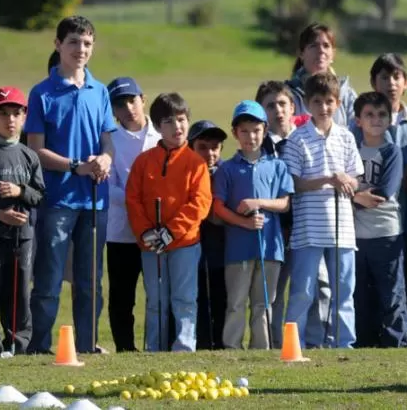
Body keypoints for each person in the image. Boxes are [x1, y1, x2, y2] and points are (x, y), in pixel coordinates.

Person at [26, 16, 117, 355]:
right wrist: (76, 166)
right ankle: (39, 345)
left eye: (88, 44)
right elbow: (36, 150)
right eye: (74, 42)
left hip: (95, 200)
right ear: (58, 45)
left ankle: (88, 343)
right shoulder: (42, 93)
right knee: (48, 279)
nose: (81, 50)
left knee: (90, 280)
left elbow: (108, 142)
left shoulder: (101, 91)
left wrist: (105, 159)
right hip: (58, 200)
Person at [281, 73, 363, 348]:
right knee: (303, 292)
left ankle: (344, 344)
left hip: (343, 230)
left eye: (329, 102)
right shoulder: (297, 139)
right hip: (308, 230)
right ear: (307, 103)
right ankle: (294, 344)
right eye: (317, 101)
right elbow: (295, 184)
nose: (324, 107)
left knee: (344, 292)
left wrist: (346, 181)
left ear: (338, 103)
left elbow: (355, 179)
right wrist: (329, 180)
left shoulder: (346, 137)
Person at [125, 93, 212, 352]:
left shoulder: (196, 163)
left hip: (185, 243)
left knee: (184, 298)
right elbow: (133, 199)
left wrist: (171, 232)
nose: (178, 127)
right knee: (156, 300)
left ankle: (184, 346)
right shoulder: (144, 161)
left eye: (182, 120)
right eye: (169, 122)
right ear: (157, 126)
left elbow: (200, 203)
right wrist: (146, 233)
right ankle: (155, 347)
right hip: (151, 244)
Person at [212, 101, 292, 349]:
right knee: (236, 302)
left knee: (263, 303)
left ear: (265, 131)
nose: (251, 136)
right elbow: (217, 207)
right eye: (244, 131)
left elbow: (285, 203)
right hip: (238, 249)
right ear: (235, 133)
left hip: (270, 248)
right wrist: (243, 223)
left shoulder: (277, 166)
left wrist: (257, 202)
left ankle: (262, 348)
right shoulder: (227, 169)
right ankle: (232, 348)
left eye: (256, 130)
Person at [256, 80, 328, 349]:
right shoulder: (259, 147)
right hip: (276, 229)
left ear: (293, 106)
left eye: (283, 103)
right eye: (270, 105)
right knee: (275, 291)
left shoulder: (308, 139)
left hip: (310, 225)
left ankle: (315, 342)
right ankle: (279, 344)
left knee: (316, 286)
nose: (278, 110)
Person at [0, 87, 45, 356]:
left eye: (16, 113)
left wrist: (20, 191)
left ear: (24, 116)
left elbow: (39, 195)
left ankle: (17, 344)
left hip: (22, 237)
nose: (10, 119)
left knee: (19, 294)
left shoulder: (30, 156)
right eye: (3, 113)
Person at [369, 53, 407, 345]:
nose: (391, 83)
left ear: (405, 83)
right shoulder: (368, 120)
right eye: (384, 77)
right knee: (381, 277)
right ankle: (383, 331)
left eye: (396, 77)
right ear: (373, 83)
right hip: (376, 217)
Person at [105, 76, 160, 352]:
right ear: (113, 110)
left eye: (132, 100)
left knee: (157, 293)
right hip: (121, 231)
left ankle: (156, 344)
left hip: (155, 228)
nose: (128, 108)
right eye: (120, 104)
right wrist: (136, 200)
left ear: (143, 100)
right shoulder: (110, 141)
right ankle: (125, 347)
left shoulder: (160, 138)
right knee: (122, 295)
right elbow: (107, 187)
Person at [351, 91, 407, 348]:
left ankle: (396, 343)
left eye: (382, 114)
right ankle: (364, 343)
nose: (376, 119)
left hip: (386, 233)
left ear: (390, 119)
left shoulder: (392, 151)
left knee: (391, 294)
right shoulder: (350, 149)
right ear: (358, 120)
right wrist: (356, 196)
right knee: (361, 294)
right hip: (355, 235)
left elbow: (384, 192)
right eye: (369, 115)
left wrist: (353, 195)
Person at [189, 119, 228, 351]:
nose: (210, 153)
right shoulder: (186, 171)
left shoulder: (226, 172)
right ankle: (201, 344)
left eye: (215, 147)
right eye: (203, 147)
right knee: (197, 301)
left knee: (222, 301)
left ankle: (221, 346)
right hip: (192, 252)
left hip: (222, 251)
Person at [286, 23, 357, 126]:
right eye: (314, 46)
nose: (321, 50)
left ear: (333, 54)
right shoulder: (288, 95)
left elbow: (357, 133)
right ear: (301, 53)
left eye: (326, 45)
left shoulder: (346, 94)